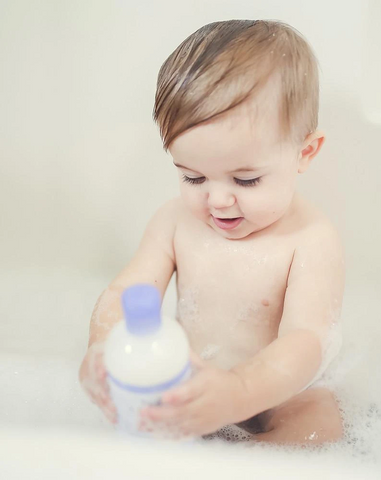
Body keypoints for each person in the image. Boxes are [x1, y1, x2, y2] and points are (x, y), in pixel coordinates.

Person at [79, 19, 345, 446]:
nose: (217, 200)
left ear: (305, 152)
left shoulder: (310, 239)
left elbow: (306, 340)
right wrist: (103, 351)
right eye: (193, 177)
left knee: (318, 426)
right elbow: (125, 293)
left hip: (281, 392)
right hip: (191, 381)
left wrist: (240, 392)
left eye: (245, 181)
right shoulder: (174, 222)